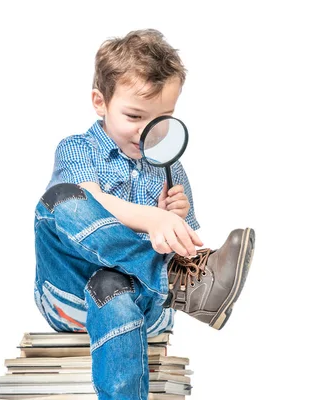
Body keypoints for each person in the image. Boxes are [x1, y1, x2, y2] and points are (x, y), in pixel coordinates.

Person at [32, 29, 255, 400]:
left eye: (162, 118)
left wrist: (177, 221)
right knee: (60, 199)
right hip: (68, 292)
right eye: (134, 116)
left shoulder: (170, 170)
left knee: (112, 285)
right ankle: (172, 281)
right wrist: (152, 219)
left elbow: (186, 254)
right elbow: (88, 199)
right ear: (100, 102)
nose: (147, 131)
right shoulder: (77, 149)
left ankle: (176, 284)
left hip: (136, 301)